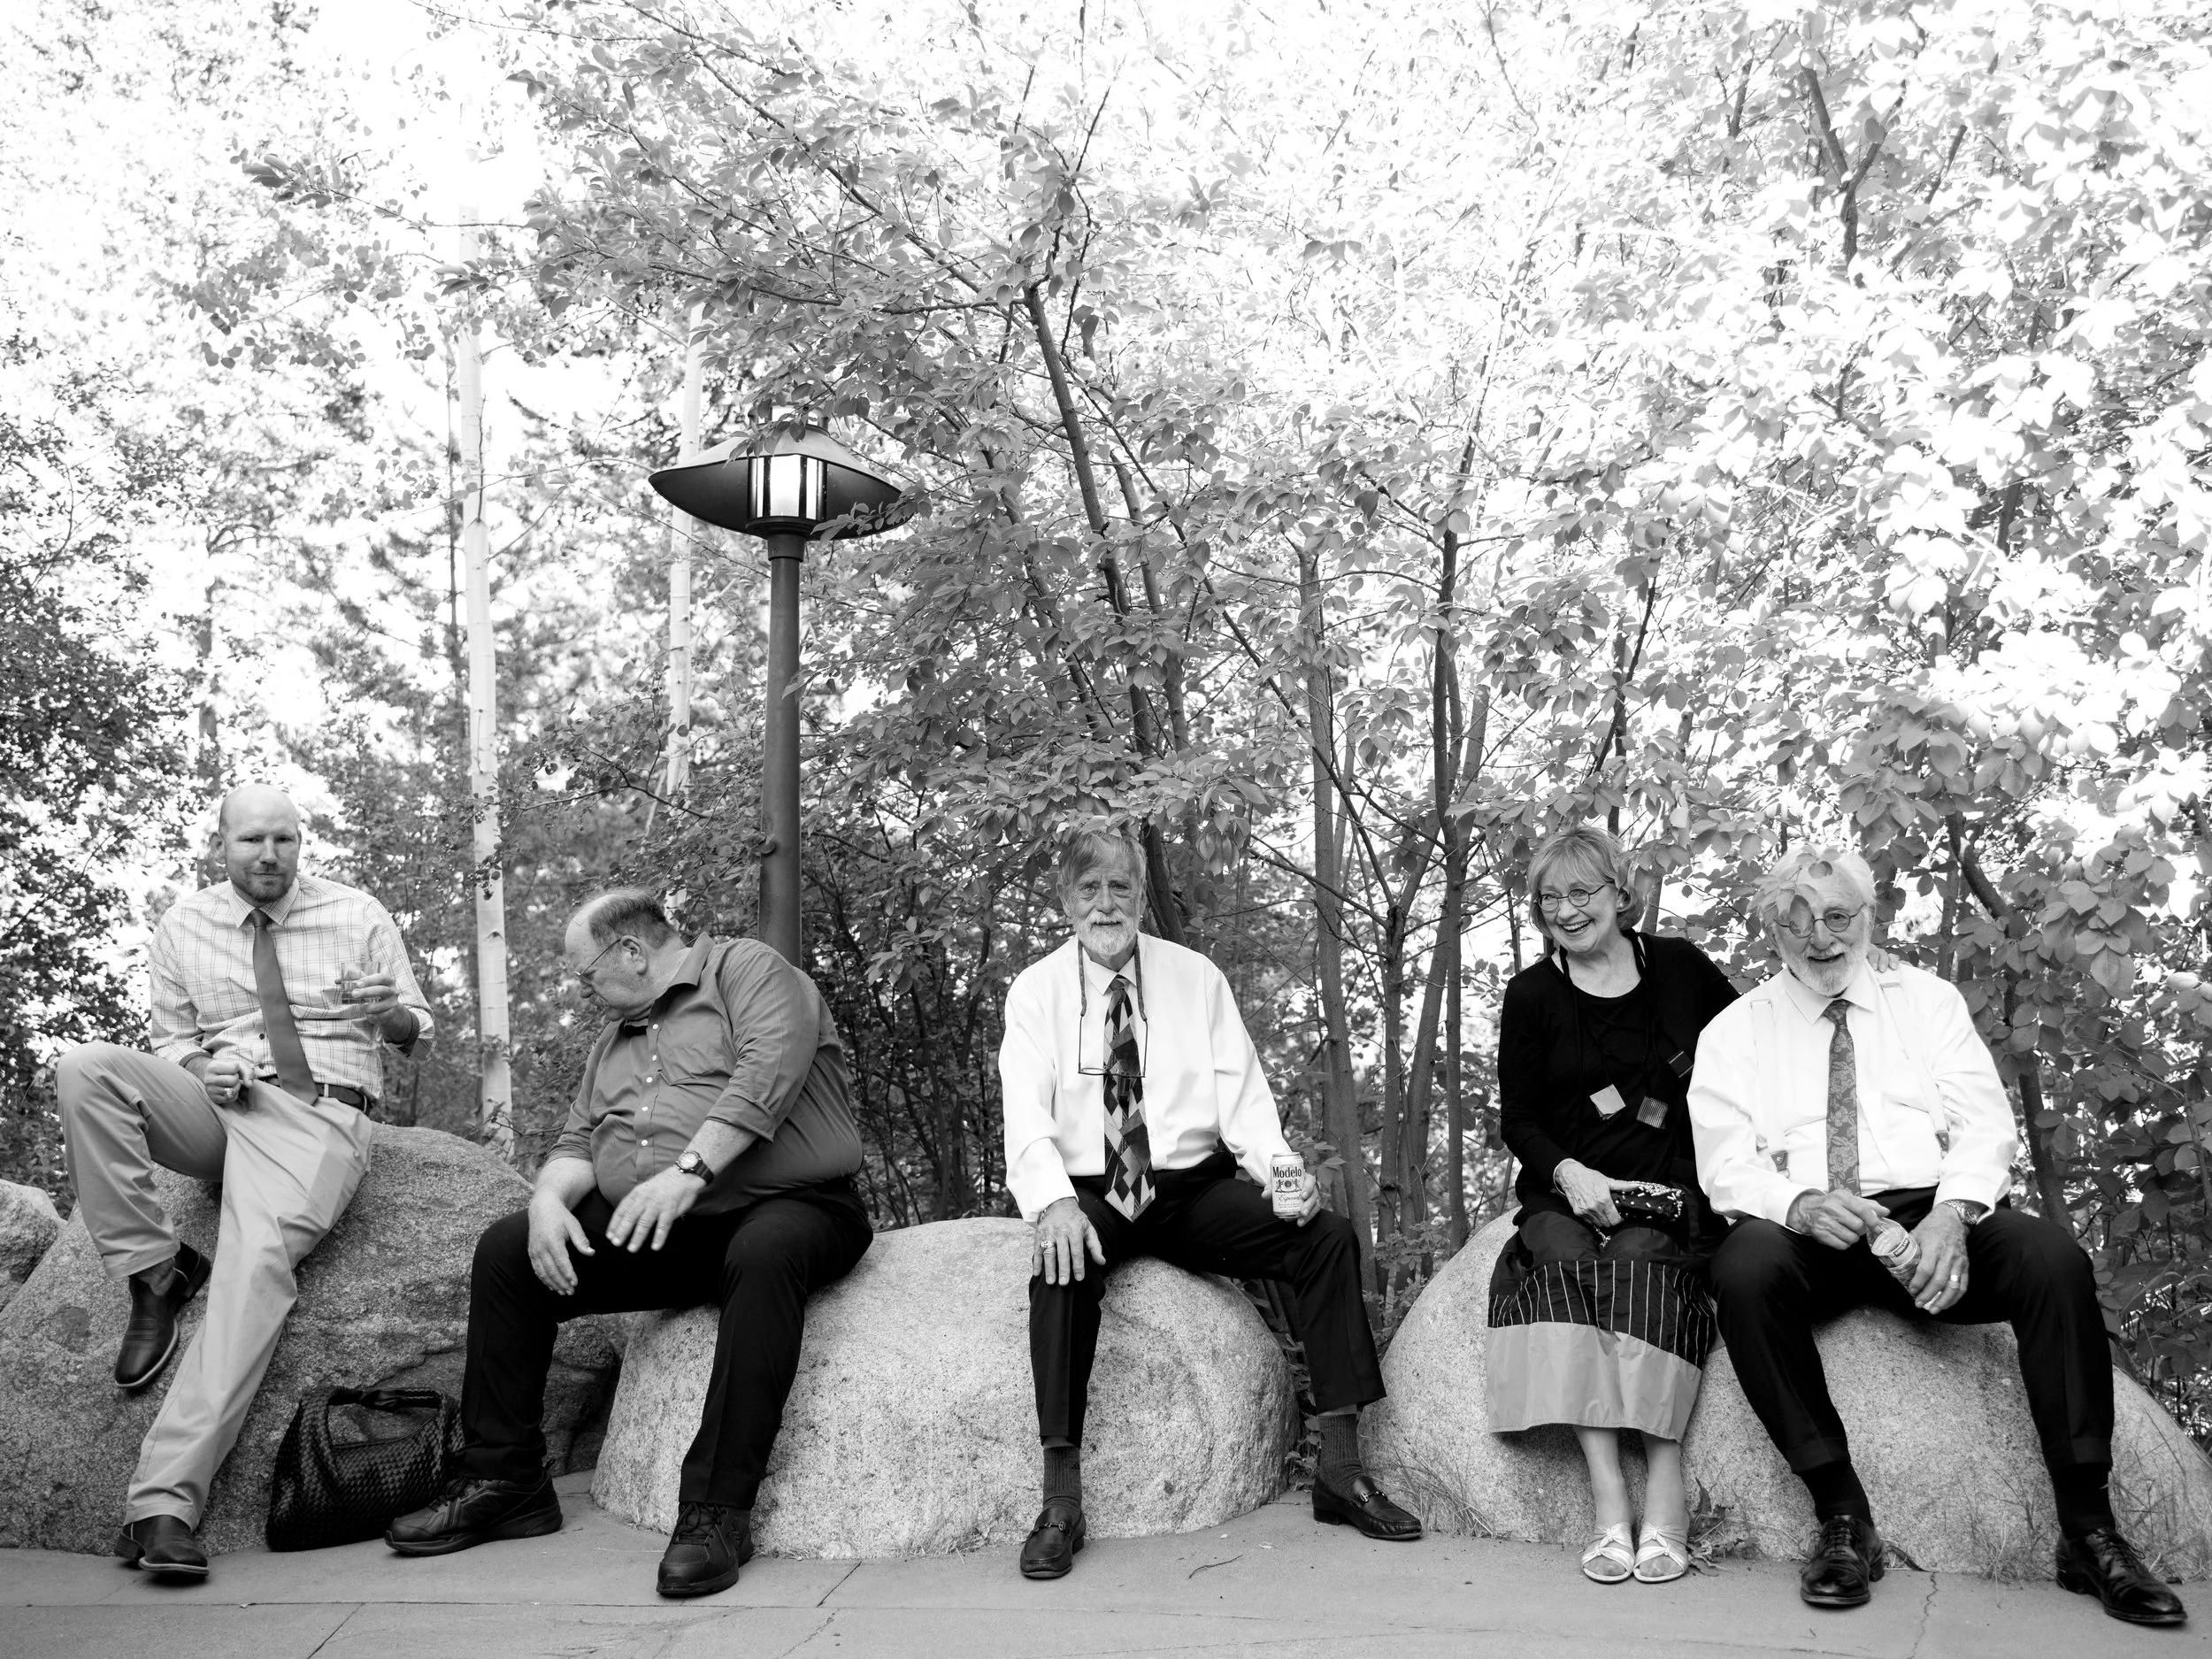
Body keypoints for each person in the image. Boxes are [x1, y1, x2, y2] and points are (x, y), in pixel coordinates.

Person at [1689, 845, 2185, 1625]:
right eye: (1796, 923)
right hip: (1812, 1226)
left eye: (1837, 917)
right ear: (1771, 933)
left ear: (1869, 916)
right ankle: (1842, 1515)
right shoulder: (1734, 1030)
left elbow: (1986, 1122)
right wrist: (1801, 1202)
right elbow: (1723, 1162)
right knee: (1744, 1266)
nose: (1819, 937)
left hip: (1929, 1214)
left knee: (2050, 1255)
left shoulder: (1927, 1001)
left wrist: (1955, 1215)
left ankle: (2089, 1530)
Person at [386, 889, 871, 1599]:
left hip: (795, 1208)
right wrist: (548, 1200)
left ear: (633, 951)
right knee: (508, 1251)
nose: (586, 991)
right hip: (674, 1232)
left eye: (586, 975)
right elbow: (578, 1138)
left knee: (763, 1254)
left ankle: (716, 1510)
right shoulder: (611, 1043)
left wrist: (689, 1172)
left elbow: (767, 1071)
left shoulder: (748, 971)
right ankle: (507, 1478)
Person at [998, 818, 1418, 1581]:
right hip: (1090, 1190)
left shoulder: (1196, 979)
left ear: (1140, 896)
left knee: (1325, 1237)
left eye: (1119, 886)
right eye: (1088, 888)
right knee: (1059, 1263)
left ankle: (1339, 1466)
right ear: (1065, 899)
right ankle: (1061, 1496)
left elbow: (1245, 1101)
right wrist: (1051, 1202)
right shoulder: (1035, 993)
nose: (1105, 903)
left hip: (1190, 1189)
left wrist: (1281, 1171)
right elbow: (1024, 1113)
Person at [57, 783, 433, 1582]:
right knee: (86, 1068)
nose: (270, 855)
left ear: (302, 843)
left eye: (286, 840)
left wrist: (388, 1013)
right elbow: (171, 1040)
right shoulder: (182, 923)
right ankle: (156, 1267)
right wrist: (204, 1066)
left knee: (252, 1272)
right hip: (218, 1103)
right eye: (252, 840)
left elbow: (414, 1035)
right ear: (221, 844)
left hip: (315, 1115)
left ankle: (163, 1500)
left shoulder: (357, 913)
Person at [1489, 826, 1740, 1585]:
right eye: (1549, 898)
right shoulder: (1531, 995)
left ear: (1619, 894)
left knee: (1637, 1266)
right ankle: (1607, 1495)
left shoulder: (1681, 967)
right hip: (1570, 1187)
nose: (1566, 911)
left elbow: (1752, 1048)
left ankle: (1663, 1479)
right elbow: (1519, 1118)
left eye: (1582, 892)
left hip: (1669, 1193)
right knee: (1565, 1266)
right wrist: (1568, 1171)